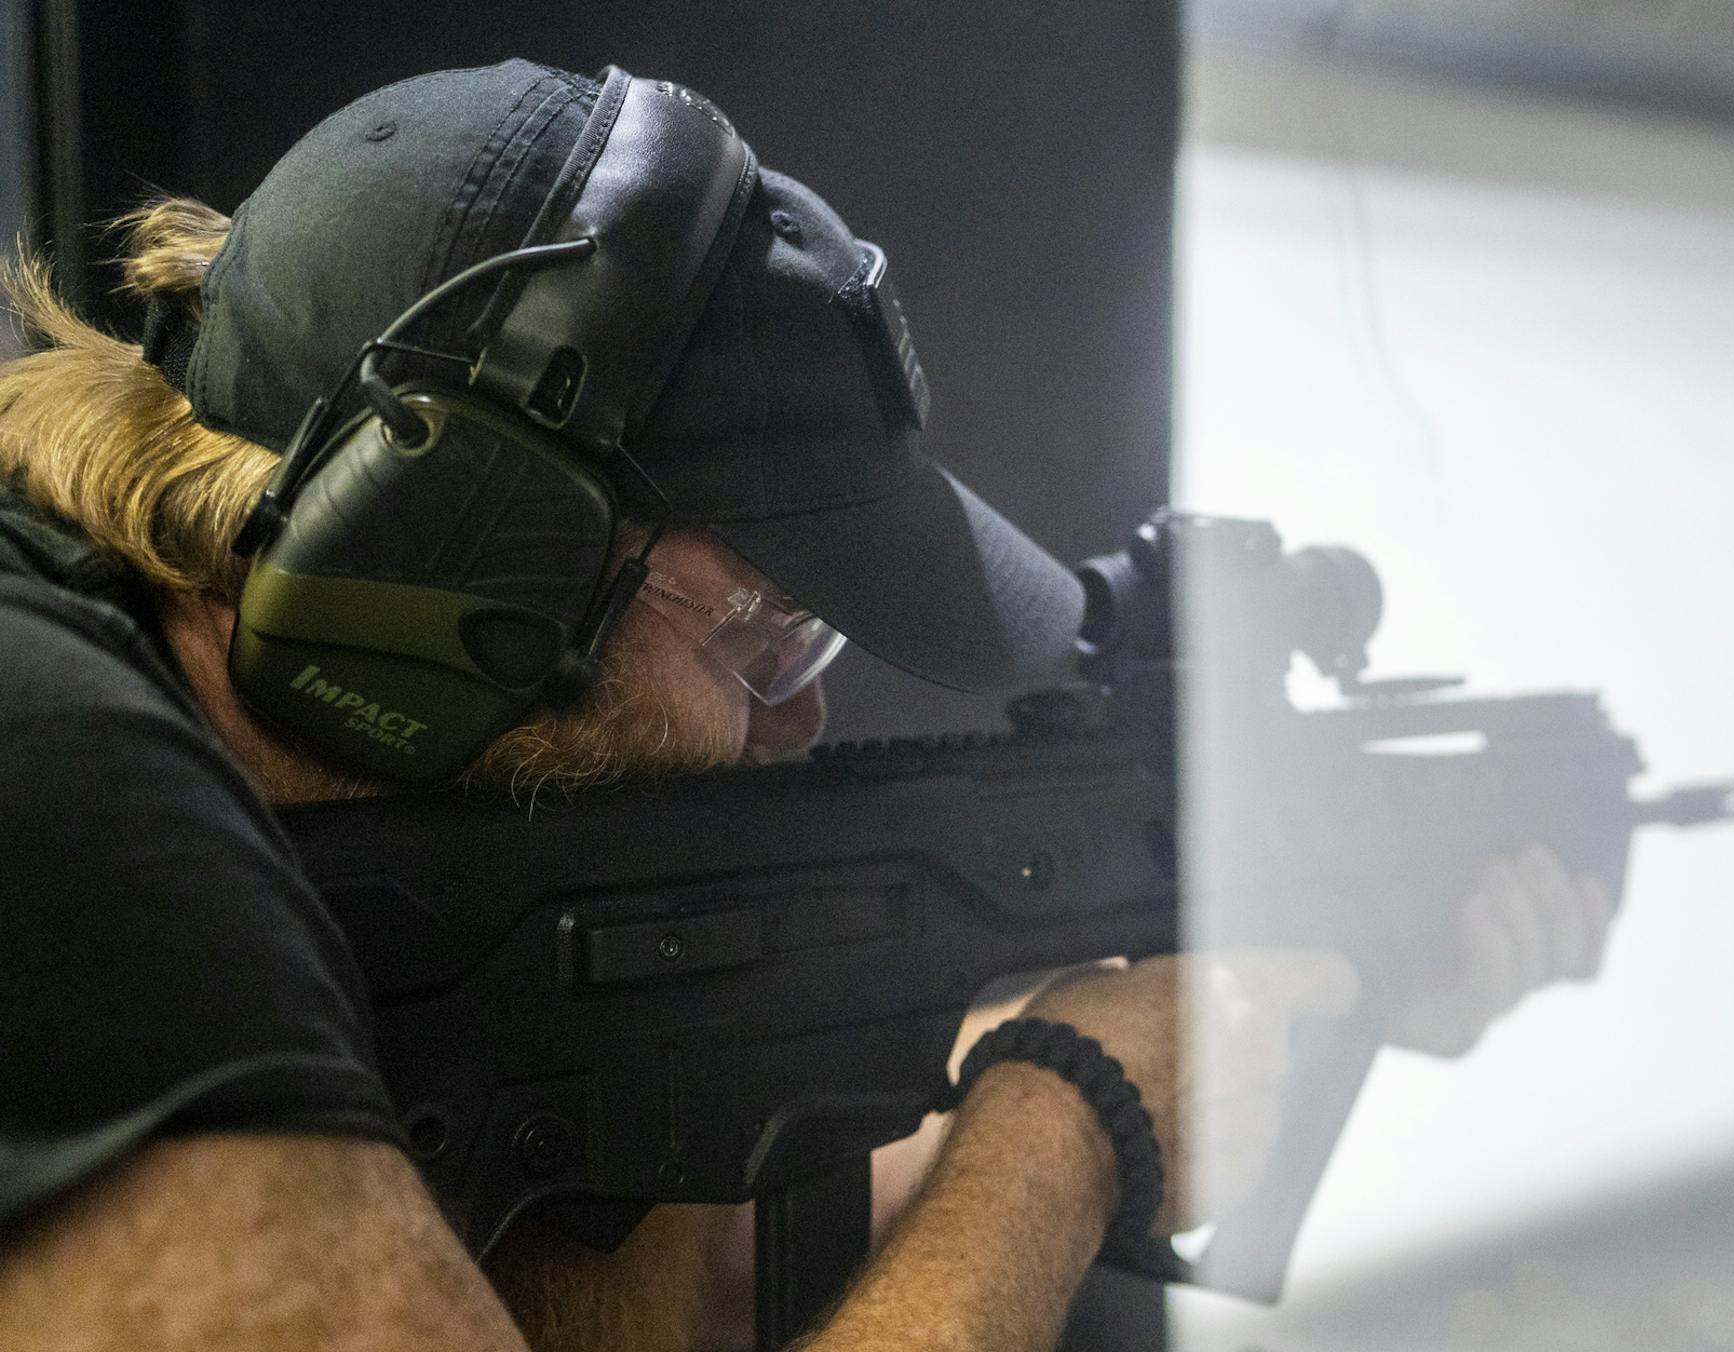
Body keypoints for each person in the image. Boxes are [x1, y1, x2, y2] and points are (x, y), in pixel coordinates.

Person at [0, 59, 1615, 1352]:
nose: (801, 725)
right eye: (767, 631)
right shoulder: (54, 792)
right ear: (450, 563)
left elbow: (693, 1259)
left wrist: (1249, 1019)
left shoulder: (252, 793)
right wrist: (1069, 1129)